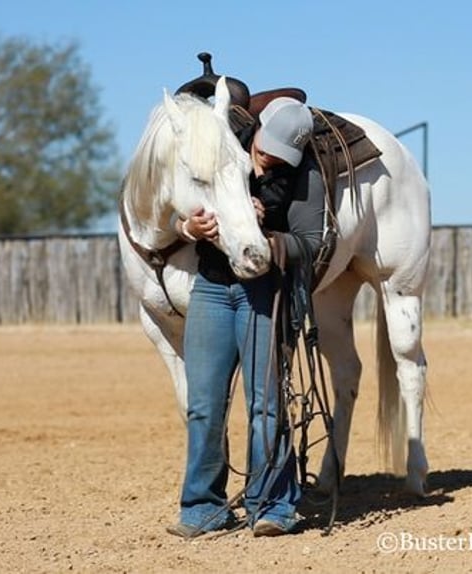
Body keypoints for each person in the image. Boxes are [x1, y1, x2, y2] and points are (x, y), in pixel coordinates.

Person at [167, 97, 326, 538]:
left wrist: (267, 234)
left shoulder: (303, 174)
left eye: (281, 154)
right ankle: (202, 506)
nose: (270, 158)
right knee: (203, 404)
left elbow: (310, 243)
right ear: (255, 129)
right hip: (213, 288)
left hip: (265, 290)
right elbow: (175, 205)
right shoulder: (223, 149)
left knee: (267, 403)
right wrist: (188, 229)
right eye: (266, 146)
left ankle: (274, 504)